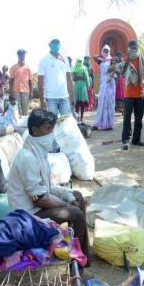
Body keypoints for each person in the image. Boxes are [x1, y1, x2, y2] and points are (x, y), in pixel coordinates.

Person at [7, 109, 90, 264]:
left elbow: (48, 187)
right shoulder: (28, 157)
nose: (51, 133)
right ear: (35, 130)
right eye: (47, 128)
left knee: (77, 195)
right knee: (76, 214)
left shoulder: (39, 150)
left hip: (37, 205)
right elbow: (40, 199)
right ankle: (78, 264)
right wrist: (66, 204)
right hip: (27, 215)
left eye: (52, 128)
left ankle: (82, 250)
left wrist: (69, 196)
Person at [118, 40, 144, 150]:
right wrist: (127, 61)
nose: (133, 49)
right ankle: (125, 140)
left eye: (135, 47)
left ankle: (136, 139)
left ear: (137, 48)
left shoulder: (143, 60)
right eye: (131, 47)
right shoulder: (125, 59)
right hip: (128, 94)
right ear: (128, 48)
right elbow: (121, 73)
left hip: (140, 93)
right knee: (127, 118)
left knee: (139, 118)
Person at [38, 38, 75, 116]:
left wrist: (72, 96)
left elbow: (69, 78)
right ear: (49, 45)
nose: (55, 45)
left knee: (66, 122)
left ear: (60, 45)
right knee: (52, 123)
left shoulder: (64, 59)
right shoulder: (44, 60)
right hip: (50, 98)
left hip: (64, 97)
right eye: (53, 43)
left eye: (57, 43)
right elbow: (40, 82)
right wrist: (42, 100)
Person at [92, 45, 116, 130]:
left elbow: (113, 71)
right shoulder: (100, 61)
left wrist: (110, 76)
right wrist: (102, 56)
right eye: (104, 51)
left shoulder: (111, 60)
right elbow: (94, 56)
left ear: (109, 51)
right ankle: (99, 123)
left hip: (109, 82)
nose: (105, 52)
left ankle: (108, 124)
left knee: (108, 102)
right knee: (101, 102)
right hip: (103, 83)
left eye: (107, 51)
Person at [9, 49, 33, 116]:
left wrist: (31, 92)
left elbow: (30, 80)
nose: (21, 56)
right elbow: (11, 80)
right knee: (16, 109)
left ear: (25, 56)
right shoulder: (13, 67)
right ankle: (17, 125)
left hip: (25, 91)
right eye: (20, 54)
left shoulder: (28, 67)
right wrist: (11, 92)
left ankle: (24, 125)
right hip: (16, 91)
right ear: (18, 55)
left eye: (23, 54)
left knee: (25, 109)